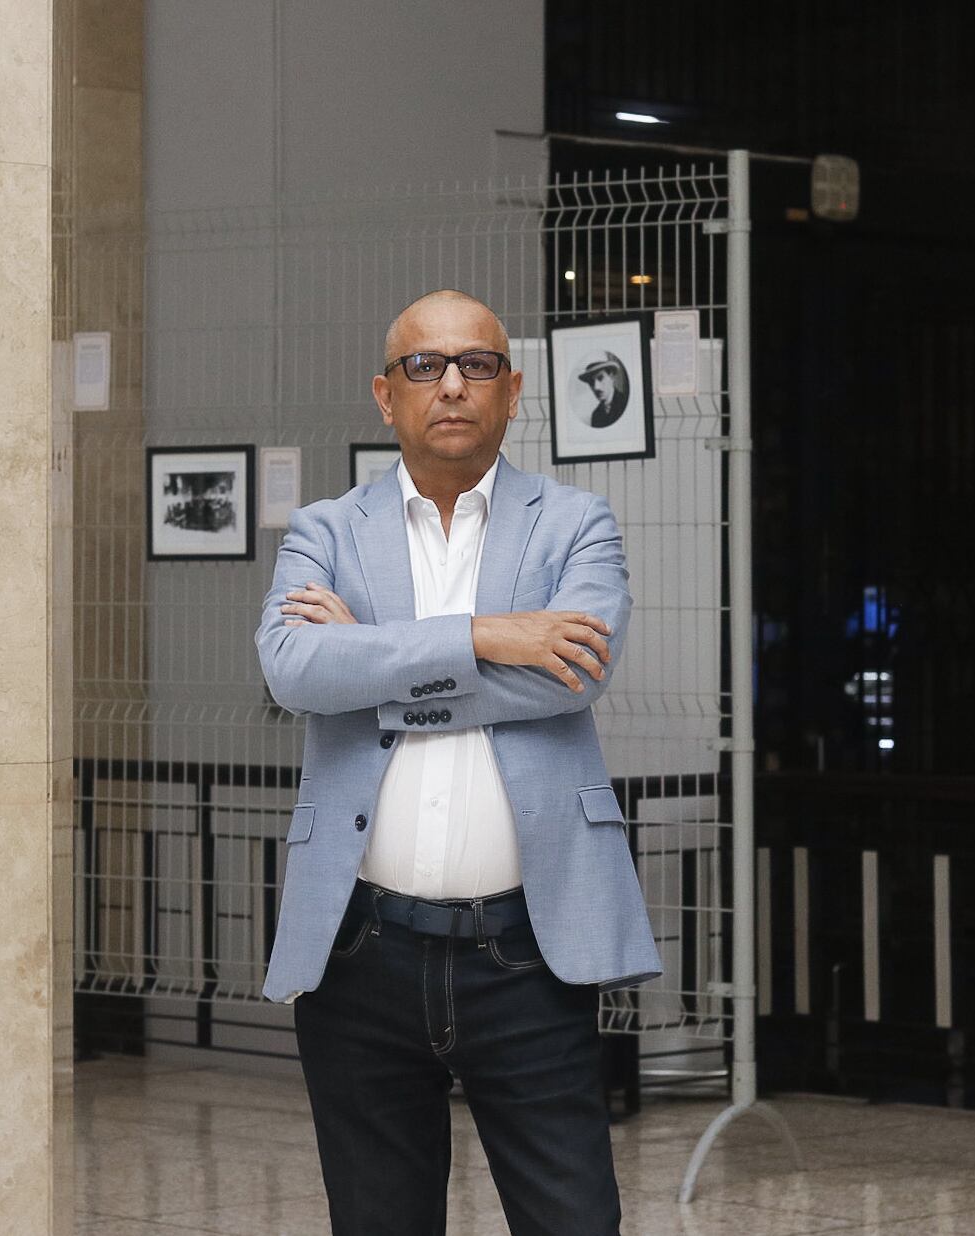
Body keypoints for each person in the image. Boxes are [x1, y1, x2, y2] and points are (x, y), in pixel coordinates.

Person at [256, 289, 660, 1236]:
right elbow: (296, 669)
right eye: (423, 366)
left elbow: (570, 677)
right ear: (383, 396)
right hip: (360, 949)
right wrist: (486, 636)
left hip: (528, 948)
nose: (450, 384)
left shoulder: (577, 524)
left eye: (476, 365)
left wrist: (379, 656)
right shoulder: (326, 530)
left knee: (574, 1220)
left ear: (513, 391)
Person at [576, 351, 630, 428]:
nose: (596, 387)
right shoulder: (596, 415)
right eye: (591, 382)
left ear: (611, 377)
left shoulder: (625, 403)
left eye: (600, 378)